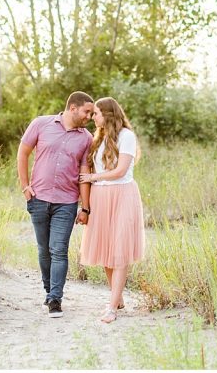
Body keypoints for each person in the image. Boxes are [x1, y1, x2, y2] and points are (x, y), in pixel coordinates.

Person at [17, 91, 95, 318]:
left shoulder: (86, 138)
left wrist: (85, 207)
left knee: (59, 250)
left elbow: (84, 173)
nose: (89, 116)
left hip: (67, 203)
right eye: (86, 112)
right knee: (44, 251)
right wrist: (25, 187)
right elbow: (23, 153)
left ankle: (55, 299)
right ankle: (48, 290)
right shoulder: (41, 124)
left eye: (91, 113)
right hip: (38, 198)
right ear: (73, 108)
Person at [78, 96, 145, 324]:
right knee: (106, 250)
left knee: (119, 250)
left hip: (122, 194)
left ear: (107, 114)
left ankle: (112, 307)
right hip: (101, 197)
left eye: (95, 113)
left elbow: (121, 170)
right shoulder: (99, 138)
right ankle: (118, 298)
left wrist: (93, 176)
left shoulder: (126, 136)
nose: (92, 117)